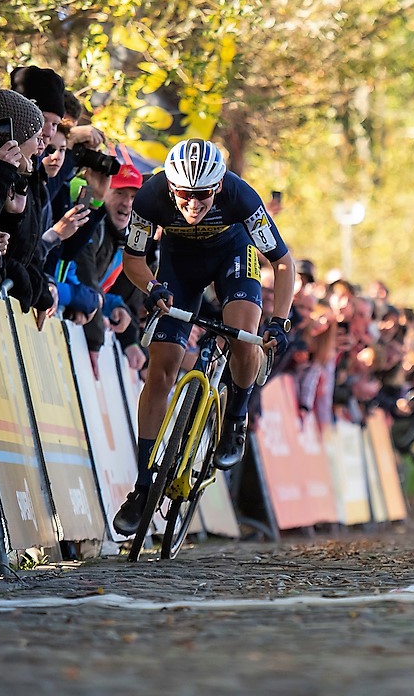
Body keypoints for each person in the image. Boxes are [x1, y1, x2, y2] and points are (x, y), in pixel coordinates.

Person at [111, 138, 296, 537]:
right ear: (171, 189)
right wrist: (153, 289)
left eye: (203, 196)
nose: (193, 205)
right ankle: (143, 487)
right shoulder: (150, 197)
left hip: (233, 255)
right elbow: (134, 260)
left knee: (245, 338)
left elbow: (281, 262)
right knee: (160, 370)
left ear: (218, 188)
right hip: (179, 262)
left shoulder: (240, 196)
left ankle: (235, 416)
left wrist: (279, 319)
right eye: (185, 196)